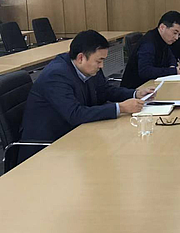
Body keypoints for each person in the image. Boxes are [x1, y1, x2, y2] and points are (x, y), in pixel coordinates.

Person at [18, 30, 154, 163]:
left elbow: (104, 90)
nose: (102, 66)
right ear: (81, 58)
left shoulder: (87, 67)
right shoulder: (56, 75)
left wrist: (135, 93)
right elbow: (75, 114)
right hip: (47, 147)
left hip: (74, 135)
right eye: (99, 61)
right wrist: (121, 108)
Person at [121, 11, 180, 89]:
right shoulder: (148, 43)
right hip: (135, 89)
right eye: (175, 33)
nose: (176, 38)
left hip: (152, 84)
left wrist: (173, 67)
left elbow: (171, 57)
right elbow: (145, 71)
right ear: (162, 27)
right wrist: (173, 71)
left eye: (179, 34)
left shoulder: (163, 39)